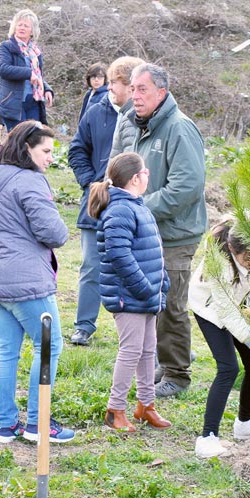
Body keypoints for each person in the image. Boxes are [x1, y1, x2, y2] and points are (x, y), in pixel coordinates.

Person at [0, 121, 74, 443]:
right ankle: (38, 422)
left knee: (6, 350)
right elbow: (55, 233)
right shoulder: (30, 182)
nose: (50, 158)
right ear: (26, 148)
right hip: (25, 282)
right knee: (49, 346)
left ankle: (6, 423)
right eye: (45, 151)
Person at [111, 63, 207, 398]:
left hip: (175, 234)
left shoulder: (180, 129)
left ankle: (177, 374)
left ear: (161, 93)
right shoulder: (135, 127)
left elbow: (187, 187)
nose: (134, 96)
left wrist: (139, 208)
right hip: (144, 233)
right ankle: (158, 366)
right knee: (150, 302)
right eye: (133, 89)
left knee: (171, 306)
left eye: (142, 90)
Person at [87, 152, 170, 432]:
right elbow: (119, 255)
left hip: (146, 295)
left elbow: (151, 250)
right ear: (135, 178)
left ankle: (146, 406)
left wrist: (162, 282)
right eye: (145, 172)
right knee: (131, 351)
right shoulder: (121, 209)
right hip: (130, 296)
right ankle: (115, 409)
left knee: (148, 351)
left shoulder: (137, 205)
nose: (148, 175)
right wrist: (145, 288)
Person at [66, 56, 143, 347]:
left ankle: (148, 336)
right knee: (91, 266)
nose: (108, 88)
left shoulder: (143, 117)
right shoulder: (96, 112)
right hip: (97, 204)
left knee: (137, 267)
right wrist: (90, 182)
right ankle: (84, 325)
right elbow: (77, 149)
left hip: (133, 206)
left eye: (115, 82)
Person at [190, 219, 250, 458]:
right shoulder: (218, 263)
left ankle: (245, 423)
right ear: (233, 250)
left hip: (239, 302)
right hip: (211, 308)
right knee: (228, 368)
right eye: (247, 260)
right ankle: (207, 437)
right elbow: (228, 314)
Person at [0, 9, 53, 131]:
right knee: (19, 140)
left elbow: (38, 75)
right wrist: (28, 73)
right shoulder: (6, 46)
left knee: (34, 137)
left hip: (33, 100)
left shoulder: (35, 51)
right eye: (19, 25)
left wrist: (47, 89)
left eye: (26, 26)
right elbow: (4, 69)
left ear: (32, 31)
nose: (22, 28)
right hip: (13, 102)